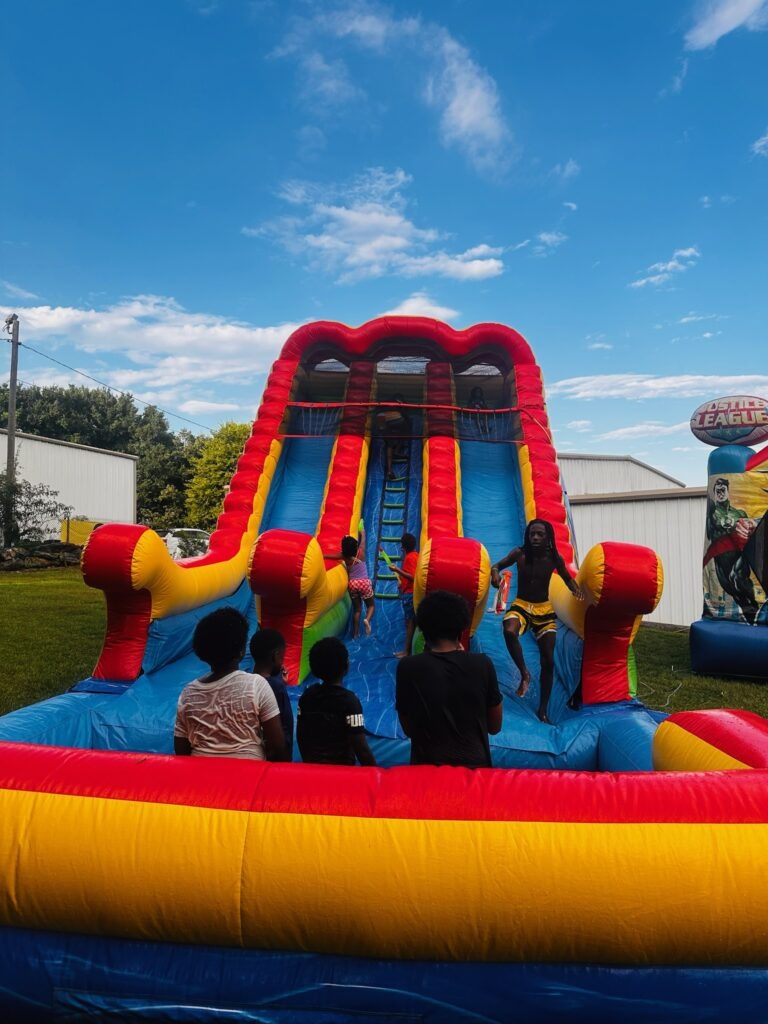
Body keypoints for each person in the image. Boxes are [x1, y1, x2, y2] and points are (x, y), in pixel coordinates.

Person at [395, 590, 503, 767]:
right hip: (473, 773)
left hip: (426, 772)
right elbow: (495, 726)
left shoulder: (408, 667)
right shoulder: (482, 664)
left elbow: (408, 729)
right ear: (461, 629)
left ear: (423, 629)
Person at [491, 519, 582, 724]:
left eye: (540, 534)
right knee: (509, 630)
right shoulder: (519, 554)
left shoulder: (554, 558)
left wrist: (580, 594)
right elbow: (497, 566)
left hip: (544, 610)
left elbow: (567, 579)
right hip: (522, 605)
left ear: (548, 537)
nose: (535, 538)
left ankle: (542, 710)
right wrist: (494, 575)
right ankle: (524, 673)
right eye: (532, 534)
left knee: (548, 661)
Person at [174, 607, 286, 760]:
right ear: (241, 652)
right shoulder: (256, 685)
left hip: (200, 777)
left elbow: (181, 750)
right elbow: (278, 746)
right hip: (249, 777)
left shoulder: (188, 693)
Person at [297, 637, 377, 766]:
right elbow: (361, 748)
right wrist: (376, 774)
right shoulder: (350, 701)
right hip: (341, 773)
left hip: (313, 769)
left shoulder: (307, 697)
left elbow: (301, 735)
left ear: (313, 668)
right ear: (346, 666)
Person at [704, 477, 759, 624]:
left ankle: (754, 607)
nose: (721, 494)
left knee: (737, 578)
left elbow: (751, 535)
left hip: (738, 557)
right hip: (721, 561)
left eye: (723, 490)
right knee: (734, 592)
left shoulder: (739, 513)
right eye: (718, 491)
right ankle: (751, 617)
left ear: (728, 492)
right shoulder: (712, 514)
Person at [249, 628, 294, 760]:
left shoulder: (247, 682)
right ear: (275, 656)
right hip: (274, 761)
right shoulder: (276, 687)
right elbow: (286, 727)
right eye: (282, 657)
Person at [329, 526, 375, 638]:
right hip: (364, 583)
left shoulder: (344, 556)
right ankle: (367, 620)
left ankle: (355, 634)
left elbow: (330, 556)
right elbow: (363, 539)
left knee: (357, 609)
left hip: (353, 584)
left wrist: (321, 555)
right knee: (371, 605)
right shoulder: (361, 551)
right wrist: (362, 531)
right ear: (355, 546)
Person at [387, 532, 419, 657]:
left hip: (409, 594)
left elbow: (412, 576)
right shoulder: (416, 555)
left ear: (402, 547)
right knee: (411, 622)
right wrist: (402, 583)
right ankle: (408, 650)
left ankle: (406, 651)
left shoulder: (410, 557)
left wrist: (396, 570)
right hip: (411, 592)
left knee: (410, 623)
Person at [376, 392, 410, 480]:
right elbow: (405, 415)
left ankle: (389, 471)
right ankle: (397, 450)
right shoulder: (398, 402)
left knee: (389, 444)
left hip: (381, 418)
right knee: (405, 429)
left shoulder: (384, 402)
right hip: (395, 417)